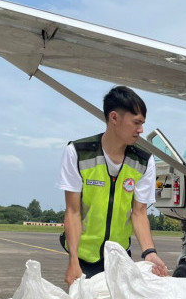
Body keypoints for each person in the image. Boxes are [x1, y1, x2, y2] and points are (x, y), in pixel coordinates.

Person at [58, 85, 168, 284]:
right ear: (114, 118)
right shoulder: (78, 153)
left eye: (142, 123)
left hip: (119, 257)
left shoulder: (144, 161)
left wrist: (149, 252)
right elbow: (73, 211)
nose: (141, 130)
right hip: (83, 257)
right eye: (136, 123)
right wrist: (73, 260)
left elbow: (139, 211)